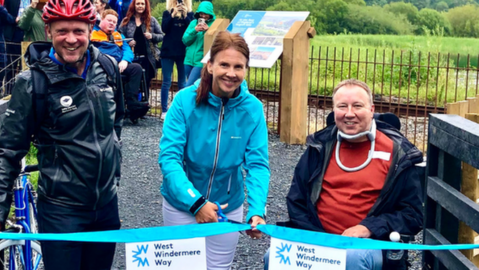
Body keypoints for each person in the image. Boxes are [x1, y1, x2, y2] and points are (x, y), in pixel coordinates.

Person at [0, 0, 124, 269]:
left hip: (105, 206)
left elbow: (116, 122)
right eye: (61, 31)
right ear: (48, 31)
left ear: (91, 29)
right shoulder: (32, 82)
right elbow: (8, 151)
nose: (71, 39)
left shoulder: (108, 67)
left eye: (78, 30)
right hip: (61, 210)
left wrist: (114, 173)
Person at [264, 79, 423, 270]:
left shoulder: (398, 155)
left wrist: (368, 228)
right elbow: (296, 200)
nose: (349, 114)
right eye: (342, 106)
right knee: (271, 257)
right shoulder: (320, 147)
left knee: (351, 260)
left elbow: (412, 215)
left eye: (357, 106)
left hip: (369, 243)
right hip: (318, 238)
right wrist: (319, 239)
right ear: (333, 111)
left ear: (371, 109)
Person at [159, 31, 270, 270]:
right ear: (210, 65)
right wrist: (196, 203)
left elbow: (258, 165)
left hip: (228, 206)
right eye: (224, 64)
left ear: (246, 70)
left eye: (238, 66)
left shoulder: (253, 109)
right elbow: (169, 158)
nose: (231, 73)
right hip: (182, 204)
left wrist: (257, 210)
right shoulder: (183, 101)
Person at [92, 9, 149, 123]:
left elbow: (127, 50)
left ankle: (132, 101)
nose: (112, 23)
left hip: (119, 65)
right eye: (109, 20)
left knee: (136, 68)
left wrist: (125, 60)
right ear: (101, 20)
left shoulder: (119, 35)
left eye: (114, 22)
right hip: (103, 65)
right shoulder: (92, 34)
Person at [119, 0, 163, 99]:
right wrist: (128, 42)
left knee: (146, 83)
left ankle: (144, 105)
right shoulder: (126, 20)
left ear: (146, 6)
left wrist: (152, 36)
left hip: (148, 57)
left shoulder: (152, 20)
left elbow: (161, 36)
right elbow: (118, 37)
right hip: (131, 58)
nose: (140, 6)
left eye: (142, 4)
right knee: (132, 82)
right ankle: (132, 103)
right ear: (133, 5)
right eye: (138, 4)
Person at [159, 0, 193, 120]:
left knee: (182, 82)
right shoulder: (167, 13)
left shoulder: (190, 14)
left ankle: (181, 109)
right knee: (166, 81)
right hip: (168, 51)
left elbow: (191, 30)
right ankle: (164, 110)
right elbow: (164, 28)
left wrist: (184, 16)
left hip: (183, 52)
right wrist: (173, 15)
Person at [182, 0, 215, 87]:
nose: (203, 16)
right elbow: (185, 40)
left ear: (210, 13)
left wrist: (207, 31)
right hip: (188, 60)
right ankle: (198, 100)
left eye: (205, 14)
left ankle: (185, 100)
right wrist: (195, 30)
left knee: (189, 86)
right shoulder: (193, 23)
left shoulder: (213, 25)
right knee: (196, 86)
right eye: (201, 14)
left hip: (201, 60)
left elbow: (215, 42)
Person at [3, 0, 26, 96]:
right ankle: (8, 92)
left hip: (29, 33)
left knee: (26, 64)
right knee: (11, 64)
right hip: (13, 32)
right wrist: (14, 19)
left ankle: (25, 92)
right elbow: (4, 14)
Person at [0, 1, 15, 98]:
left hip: (0, 47)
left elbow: (10, 19)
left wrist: (0, 8)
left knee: (2, 67)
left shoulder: (1, 10)